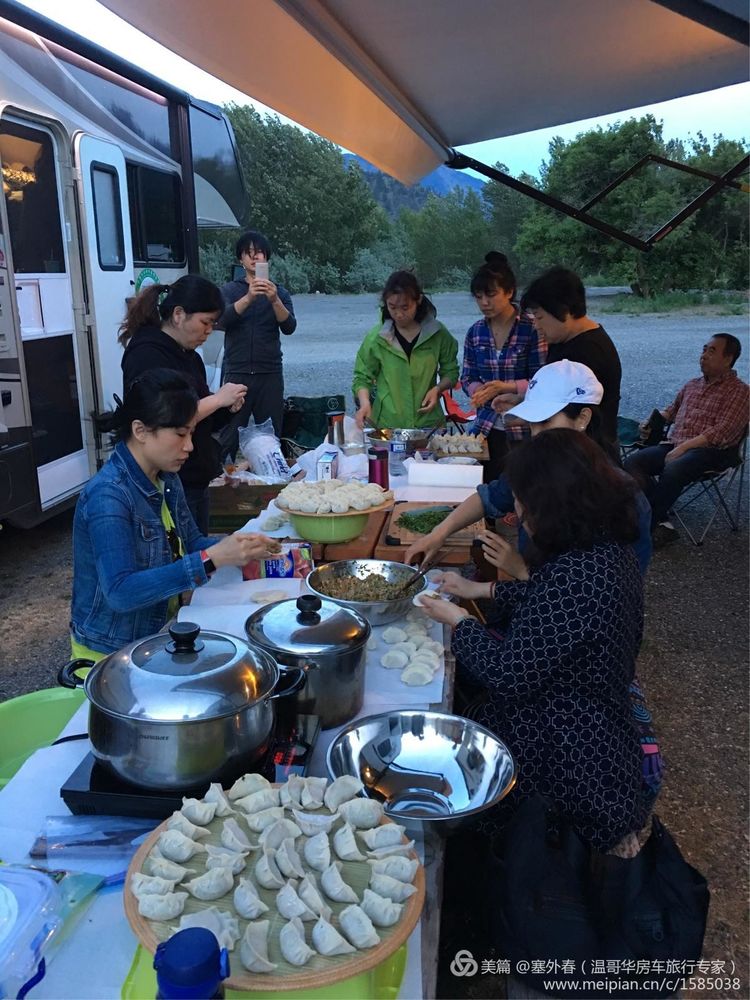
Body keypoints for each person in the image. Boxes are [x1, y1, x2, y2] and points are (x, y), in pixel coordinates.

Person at [420, 429, 649, 851]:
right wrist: (480, 589)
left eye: (522, 500)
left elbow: (509, 675)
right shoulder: (603, 548)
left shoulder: (578, 574)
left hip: (568, 750)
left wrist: (458, 620)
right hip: (587, 715)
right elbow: (550, 604)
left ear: (551, 502)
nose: (518, 511)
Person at [70, 370, 277, 660]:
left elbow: (191, 543)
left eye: (191, 433)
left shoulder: (166, 477)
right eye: (180, 434)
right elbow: (121, 592)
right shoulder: (108, 495)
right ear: (140, 430)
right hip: (109, 655)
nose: (189, 446)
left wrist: (241, 546)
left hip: (157, 635)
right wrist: (211, 558)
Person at [404, 360, 652, 575]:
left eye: (546, 422)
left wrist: (521, 571)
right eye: (532, 424)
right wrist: (439, 533)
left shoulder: (623, 497)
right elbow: (489, 496)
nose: (537, 434)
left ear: (583, 419)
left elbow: (608, 592)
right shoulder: (536, 465)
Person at [119, 275, 247, 534]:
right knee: (177, 551)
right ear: (178, 315)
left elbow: (203, 418)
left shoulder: (190, 357)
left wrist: (226, 407)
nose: (209, 331)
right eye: (205, 322)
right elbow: (162, 418)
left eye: (213, 324)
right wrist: (216, 399)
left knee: (196, 547)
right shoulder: (147, 354)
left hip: (195, 478)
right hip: (168, 479)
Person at [624, 333, 748, 547]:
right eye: (704, 350)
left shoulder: (740, 392)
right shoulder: (692, 385)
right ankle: (661, 521)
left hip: (713, 452)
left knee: (675, 468)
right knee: (633, 462)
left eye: (712, 351)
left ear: (728, 359)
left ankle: (644, 526)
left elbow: (722, 432)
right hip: (676, 444)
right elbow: (671, 412)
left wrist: (684, 448)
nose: (704, 355)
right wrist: (650, 422)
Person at [461, 251, 547, 482]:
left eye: (491, 295)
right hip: (485, 428)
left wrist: (505, 387)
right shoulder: (475, 331)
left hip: (524, 429)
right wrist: (480, 390)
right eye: (478, 296)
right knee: (486, 489)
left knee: (523, 488)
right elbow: (467, 377)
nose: (484, 303)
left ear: (509, 292)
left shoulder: (532, 328)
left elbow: (543, 380)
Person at [517, 266, 622, 446]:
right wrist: (522, 401)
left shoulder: (588, 351)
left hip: (585, 451)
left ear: (564, 310)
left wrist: (522, 416)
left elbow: (564, 412)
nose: (536, 326)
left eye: (539, 317)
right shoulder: (563, 340)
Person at [219, 229, 297, 455]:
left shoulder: (279, 292)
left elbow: (289, 327)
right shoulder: (230, 290)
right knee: (228, 435)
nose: (254, 257)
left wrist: (273, 300)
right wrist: (249, 297)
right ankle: (222, 473)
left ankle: (269, 474)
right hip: (237, 371)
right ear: (240, 259)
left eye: (259, 252)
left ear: (267, 258)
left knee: (271, 438)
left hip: (269, 372)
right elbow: (221, 320)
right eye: (248, 252)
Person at [353, 270, 459, 430]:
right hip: (387, 425)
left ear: (418, 300)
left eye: (405, 307)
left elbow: (451, 372)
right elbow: (362, 377)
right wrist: (365, 403)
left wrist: (438, 389)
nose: (399, 314)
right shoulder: (377, 338)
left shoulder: (438, 334)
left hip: (429, 424)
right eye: (392, 307)